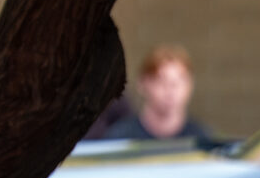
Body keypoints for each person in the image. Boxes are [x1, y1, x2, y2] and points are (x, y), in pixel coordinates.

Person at [86, 44, 218, 145]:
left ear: (190, 85)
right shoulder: (118, 139)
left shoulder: (203, 140)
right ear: (143, 83)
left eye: (178, 82)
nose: (170, 90)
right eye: (161, 81)